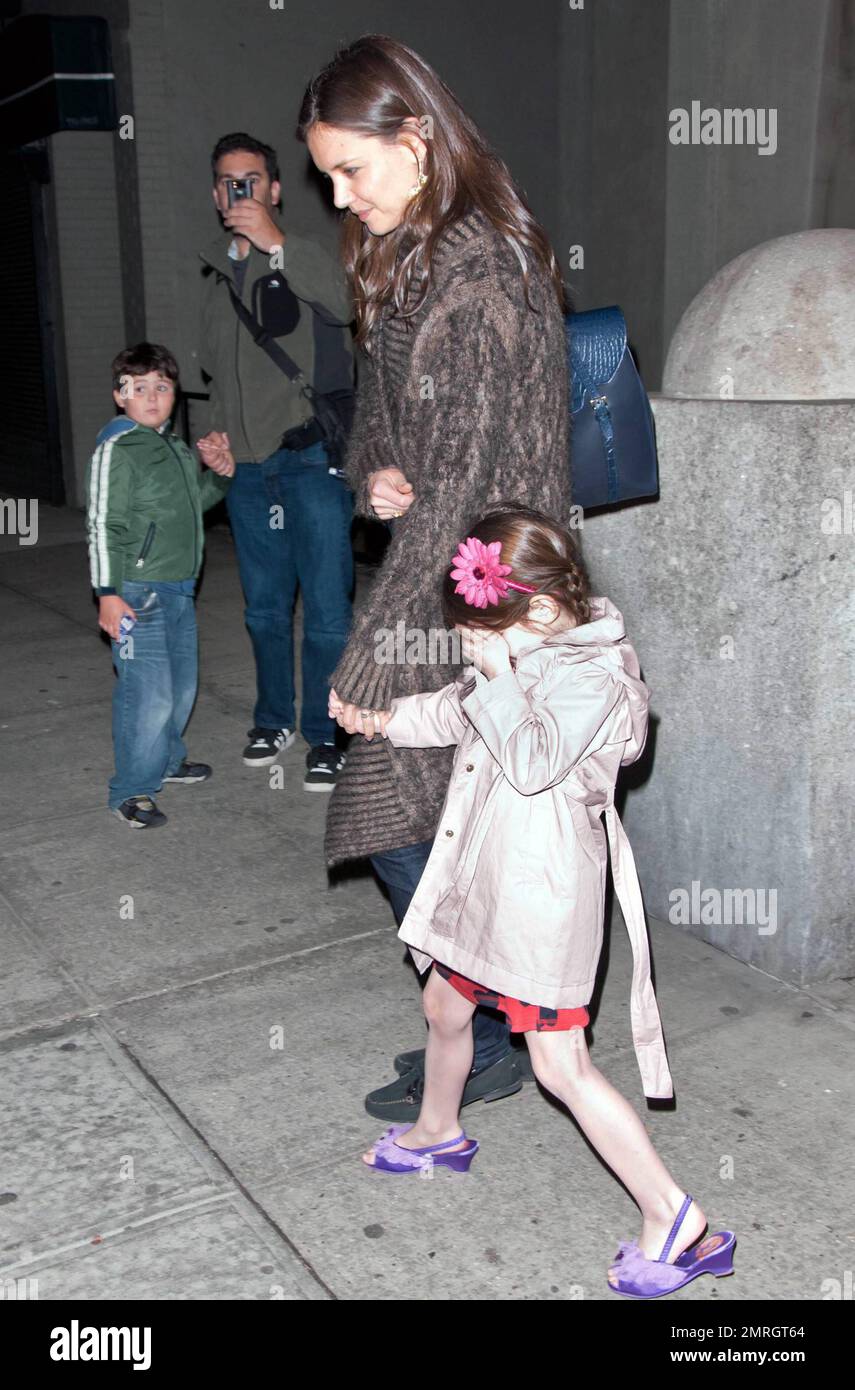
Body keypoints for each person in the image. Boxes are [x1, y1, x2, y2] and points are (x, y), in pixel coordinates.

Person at [340, 505, 737, 1300]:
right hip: (483, 885)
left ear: (546, 611)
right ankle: (437, 1131)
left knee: (561, 1065)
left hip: (536, 900)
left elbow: (528, 759)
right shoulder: (528, 652)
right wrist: (384, 719)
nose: (475, 654)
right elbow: (457, 709)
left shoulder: (592, 677)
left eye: (486, 638)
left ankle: (676, 1220)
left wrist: (495, 675)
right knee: (444, 1005)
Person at [298, 34, 573, 1119]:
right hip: (442, 577)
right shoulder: (404, 255)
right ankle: (485, 1021)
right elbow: (381, 417)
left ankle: (499, 1024)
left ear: (415, 138)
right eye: (324, 173)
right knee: (433, 822)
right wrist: (375, 474)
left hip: (494, 598)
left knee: (408, 813)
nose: (337, 193)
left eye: (350, 168)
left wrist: (369, 656)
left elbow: (465, 489)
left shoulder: (479, 271)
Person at [197, 132, 355, 790]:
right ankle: (272, 718)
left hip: (308, 457)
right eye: (231, 182)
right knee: (263, 610)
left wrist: (277, 245)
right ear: (215, 194)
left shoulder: (305, 255)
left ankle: (324, 731)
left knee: (324, 607)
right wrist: (212, 433)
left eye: (254, 180)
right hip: (250, 469)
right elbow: (212, 374)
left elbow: (344, 308)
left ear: (275, 188)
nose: (243, 191)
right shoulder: (212, 275)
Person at [85, 342, 234, 828]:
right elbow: (103, 524)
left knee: (181, 688)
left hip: (178, 589)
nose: (152, 397)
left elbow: (196, 508)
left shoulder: (170, 446)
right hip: (136, 591)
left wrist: (222, 477)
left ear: (175, 395)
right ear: (119, 395)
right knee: (147, 694)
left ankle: (167, 761)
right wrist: (108, 592)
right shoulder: (118, 447)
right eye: (139, 388)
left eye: (162, 388)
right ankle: (131, 790)